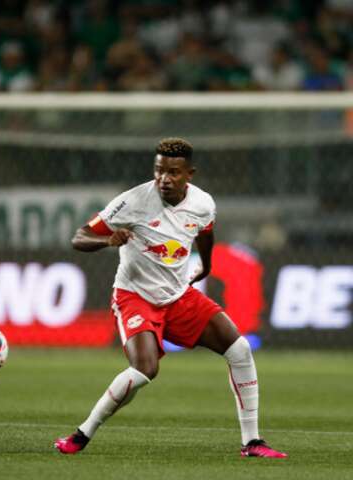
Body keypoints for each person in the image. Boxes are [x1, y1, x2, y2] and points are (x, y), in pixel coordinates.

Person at [54, 138, 288, 459]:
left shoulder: (203, 203)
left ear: (189, 174)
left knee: (240, 350)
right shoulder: (132, 201)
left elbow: (205, 233)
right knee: (145, 370)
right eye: (159, 170)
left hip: (179, 297)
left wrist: (206, 265)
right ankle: (82, 434)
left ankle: (252, 442)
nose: (164, 178)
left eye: (173, 172)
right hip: (135, 297)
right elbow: (80, 237)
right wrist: (108, 240)